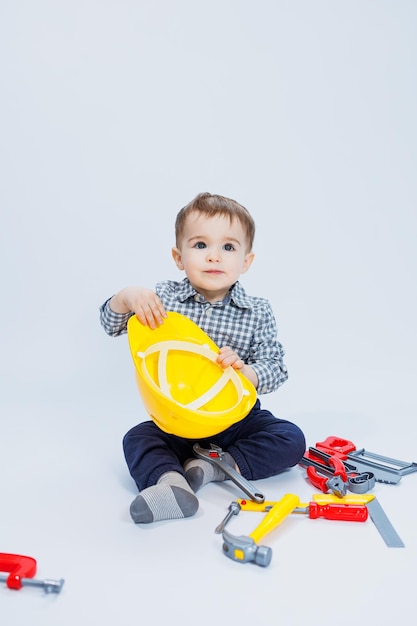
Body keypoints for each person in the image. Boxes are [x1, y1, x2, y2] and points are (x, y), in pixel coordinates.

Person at [99, 192, 305, 524]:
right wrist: (127, 298)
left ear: (246, 261)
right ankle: (171, 485)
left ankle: (215, 466)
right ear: (178, 257)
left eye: (228, 247)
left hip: (235, 419)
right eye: (200, 246)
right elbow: (113, 326)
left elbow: (275, 366)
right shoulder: (163, 298)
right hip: (177, 419)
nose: (214, 257)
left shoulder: (257, 311)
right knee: (138, 438)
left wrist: (246, 373)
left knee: (290, 439)